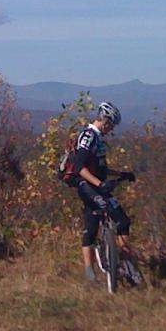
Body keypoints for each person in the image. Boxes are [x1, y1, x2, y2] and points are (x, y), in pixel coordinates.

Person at [67, 101, 136, 284]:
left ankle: (127, 264)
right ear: (105, 121)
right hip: (86, 185)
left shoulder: (99, 139)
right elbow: (80, 167)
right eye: (112, 125)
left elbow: (101, 168)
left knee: (123, 220)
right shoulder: (88, 136)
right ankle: (90, 271)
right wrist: (99, 183)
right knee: (92, 226)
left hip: (98, 185)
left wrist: (122, 174)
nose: (111, 129)